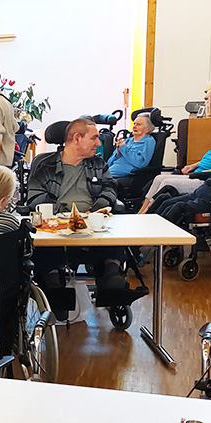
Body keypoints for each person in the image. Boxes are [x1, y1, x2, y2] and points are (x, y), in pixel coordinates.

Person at [26, 118, 140, 306]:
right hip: (57, 229)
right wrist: (70, 216)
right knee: (44, 250)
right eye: (94, 138)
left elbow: (110, 187)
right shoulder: (45, 165)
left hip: (94, 226)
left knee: (114, 236)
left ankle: (112, 277)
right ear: (77, 138)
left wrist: (96, 210)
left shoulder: (98, 164)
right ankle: (54, 289)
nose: (98, 143)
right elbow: (35, 197)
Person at [137, 136, 211, 214]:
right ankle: (140, 212)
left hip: (205, 179)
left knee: (166, 182)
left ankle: (147, 213)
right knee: (158, 178)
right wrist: (192, 166)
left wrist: (201, 173)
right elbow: (210, 159)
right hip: (196, 173)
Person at [106, 114, 156, 179]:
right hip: (110, 172)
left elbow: (141, 163)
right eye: (134, 124)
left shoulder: (148, 141)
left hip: (126, 175)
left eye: (138, 124)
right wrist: (117, 153)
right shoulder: (127, 141)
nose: (134, 127)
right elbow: (109, 163)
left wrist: (124, 149)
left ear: (148, 129)